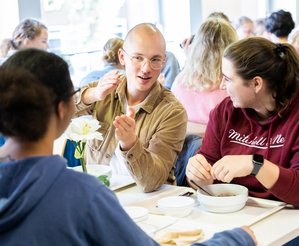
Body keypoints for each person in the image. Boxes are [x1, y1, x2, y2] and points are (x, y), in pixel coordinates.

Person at [0, 48, 257, 246]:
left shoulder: (169, 109)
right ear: (62, 109)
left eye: (156, 59)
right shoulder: (81, 196)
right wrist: (237, 239)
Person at [186, 37, 299, 245]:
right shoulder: (226, 111)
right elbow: (207, 165)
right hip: (237, 218)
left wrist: (255, 165)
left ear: (256, 83)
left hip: (298, 226)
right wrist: (197, 175)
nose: (221, 85)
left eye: (228, 79)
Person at [74, 23, 187, 193]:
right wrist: (93, 95)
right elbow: (56, 113)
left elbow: (152, 182)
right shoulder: (104, 90)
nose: (146, 68)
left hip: (150, 203)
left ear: (164, 61)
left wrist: (130, 144)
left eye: (155, 59)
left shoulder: (172, 112)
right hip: (101, 194)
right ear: (122, 57)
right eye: (138, 58)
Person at [172, 17, 237, 125]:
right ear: (232, 46)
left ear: (196, 45)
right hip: (218, 140)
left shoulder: (180, 81)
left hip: (182, 139)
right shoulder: (231, 87)